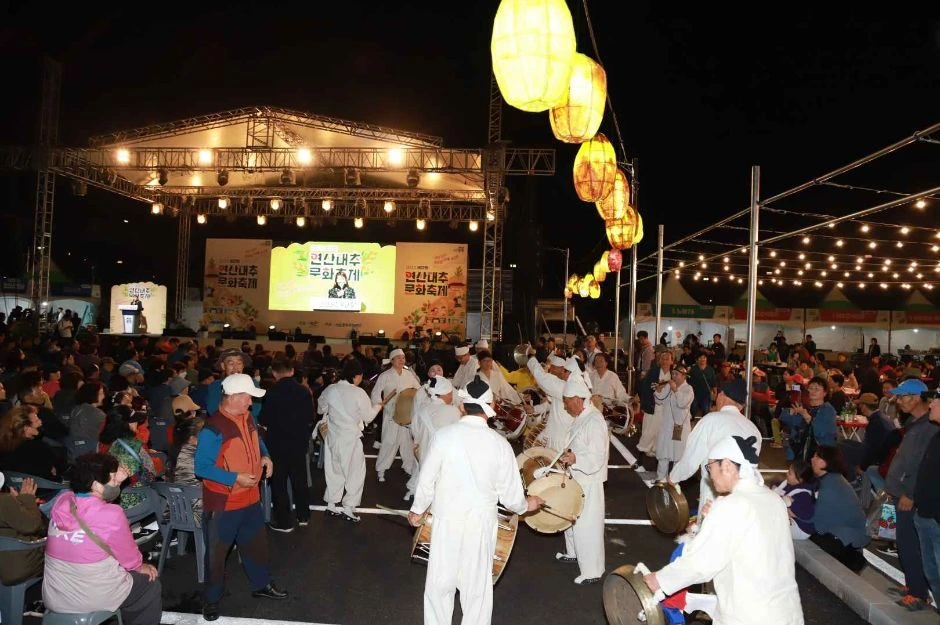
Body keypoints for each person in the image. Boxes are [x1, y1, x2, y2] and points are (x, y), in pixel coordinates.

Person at [408, 376, 542, 625]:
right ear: (489, 409)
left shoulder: (444, 437)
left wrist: (417, 510)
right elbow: (512, 498)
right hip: (480, 526)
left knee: (439, 587)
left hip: (447, 520)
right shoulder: (500, 444)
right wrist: (528, 505)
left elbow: (426, 481)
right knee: (476, 592)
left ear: (461, 406)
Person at [644, 435, 804, 625]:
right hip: (787, 612)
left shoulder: (731, 506)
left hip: (750, 616)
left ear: (726, 465)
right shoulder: (773, 499)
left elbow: (701, 562)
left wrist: (660, 580)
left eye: (710, 467)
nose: (709, 475)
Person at [195, 373, 287, 621]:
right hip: (223, 504)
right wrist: (233, 478)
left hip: (250, 499)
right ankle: (211, 599)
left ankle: (261, 585)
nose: (251, 402)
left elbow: (257, 442)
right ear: (233, 397)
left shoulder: (247, 418)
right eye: (248, 397)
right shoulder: (214, 428)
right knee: (216, 555)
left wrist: (265, 456)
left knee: (257, 548)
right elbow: (201, 467)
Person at [43, 453, 163, 625]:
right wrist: (139, 566)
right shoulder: (111, 514)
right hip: (92, 598)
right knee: (149, 585)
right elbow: (129, 559)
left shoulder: (62, 503)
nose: (116, 482)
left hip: (55, 596)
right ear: (96, 484)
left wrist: (115, 480)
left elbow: (93, 498)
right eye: (113, 478)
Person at [883, 378, 937, 610]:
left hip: (909, 496)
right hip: (901, 493)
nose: (898, 401)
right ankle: (913, 584)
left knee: (911, 544)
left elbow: (922, 466)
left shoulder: (929, 427)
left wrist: (909, 493)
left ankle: (918, 593)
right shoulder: (917, 423)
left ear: (916, 398)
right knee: (905, 542)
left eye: (903, 397)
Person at [668, 378, 763, 509]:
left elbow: (690, 461)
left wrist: (672, 479)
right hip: (745, 502)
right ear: (741, 405)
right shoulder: (754, 429)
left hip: (714, 500)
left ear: (721, 396)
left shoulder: (710, 421)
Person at [554, 374, 609, 584]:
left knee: (588, 525)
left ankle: (592, 570)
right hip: (576, 476)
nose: (566, 408)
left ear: (578, 399)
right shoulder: (583, 417)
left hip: (588, 480)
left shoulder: (594, 421)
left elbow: (596, 457)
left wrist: (575, 458)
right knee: (572, 518)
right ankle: (574, 552)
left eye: (568, 404)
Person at [318, 359, 382, 522]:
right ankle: (348, 507)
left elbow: (321, 409)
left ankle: (331, 504)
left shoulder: (330, 389)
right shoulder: (358, 393)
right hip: (350, 438)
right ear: (356, 376)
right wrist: (378, 407)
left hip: (332, 436)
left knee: (334, 470)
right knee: (354, 473)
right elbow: (368, 416)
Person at [259, 358, 315, 532]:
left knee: (279, 483)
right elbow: (310, 418)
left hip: (277, 443)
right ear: (292, 371)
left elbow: (263, 419)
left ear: (275, 373)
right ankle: (303, 515)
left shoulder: (271, 392)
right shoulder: (304, 391)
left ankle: (284, 521)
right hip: (298, 442)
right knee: (300, 479)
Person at [810, 446, 869, 572]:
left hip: (847, 538)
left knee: (803, 533)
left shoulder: (829, 486)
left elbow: (819, 526)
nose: (812, 459)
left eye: (817, 457)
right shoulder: (833, 479)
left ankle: (851, 558)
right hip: (852, 534)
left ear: (825, 462)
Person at [407, 375, 461, 501]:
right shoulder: (453, 411)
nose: (452, 396)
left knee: (426, 492)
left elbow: (415, 433)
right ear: (445, 394)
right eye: (451, 393)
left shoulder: (421, 411)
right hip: (444, 460)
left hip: (425, 458)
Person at [371, 348, 422, 482]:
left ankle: (409, 466)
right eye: (398, 358)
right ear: (392, 360)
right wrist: (379, 405)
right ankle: (381, 469)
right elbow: (376, 393)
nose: (401, 360)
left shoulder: (409, 374)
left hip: (406, 414)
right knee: (389, 441)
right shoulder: (385, 375)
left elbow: (419, 390)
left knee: (407, 442)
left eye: (403, 358)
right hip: (390, 414)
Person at [912, 388, 940, 606]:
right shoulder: (936, 434)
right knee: (932, 574)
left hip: (935, 519)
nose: (930, 405)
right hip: (924, 515)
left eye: (936, 402)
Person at [0, 473, 45, 586]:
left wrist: (18, 503)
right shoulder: (5, 501)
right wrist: (27, 499)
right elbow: (33, 526)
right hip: (13, 568)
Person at [779, 376, 837, 462]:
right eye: (810, 388)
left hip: (818, 455)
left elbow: (822, 432)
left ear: (825, 393)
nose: (812, 391)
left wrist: (807, 416)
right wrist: (791, 412)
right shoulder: (807, 407)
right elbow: (788, 421)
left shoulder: (828, 410)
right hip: (799, 451)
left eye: (817, 389)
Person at [525, 352, 574, 451]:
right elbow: (551, 404)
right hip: (556, 431)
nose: (551, 370)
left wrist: (531, 357)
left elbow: (541, 377)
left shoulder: (562, 385)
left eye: (555, 367)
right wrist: (534, 409)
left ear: (562, 369)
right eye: (551, 367)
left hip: (560, 436)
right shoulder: (565, 384)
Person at [653, 365, 694, 481]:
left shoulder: (688, 389)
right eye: (673, 374)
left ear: (683, 376)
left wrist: (675, 390)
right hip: (666, 425)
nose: (673, 376)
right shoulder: (668, 387)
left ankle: (674, 481)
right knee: (663, 452)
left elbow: (682, 403)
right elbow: (659, 401)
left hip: (680, 427)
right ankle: (660, 478)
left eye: (676, 374)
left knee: (678, 455)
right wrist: (658, 390)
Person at [637, 349, 674, 457]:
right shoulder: (653, 371)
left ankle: (655, 450)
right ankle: (641, 455)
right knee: (649, 431)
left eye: (668, 359)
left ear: (672, 361)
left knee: (661, 431)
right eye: (663, 358)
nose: (665, 361)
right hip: (654, 406)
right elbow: (647, 387)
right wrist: (658, 387)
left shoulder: (674, 374)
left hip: (667, 409)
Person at [772, 459, 816, 540]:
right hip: (793, 521)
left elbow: (807, 514)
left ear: (799, 479)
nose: (787, 474)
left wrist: (791, 505)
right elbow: (776, 489)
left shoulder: (804, 495)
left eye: (790, 473)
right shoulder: (789, 484)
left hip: (801, 529)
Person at [688, 353, 716, 417]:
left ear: (706, 359)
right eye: (700, 358)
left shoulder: (710, 369)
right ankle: (693, 420)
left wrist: (715, 392)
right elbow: (689, 382)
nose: (702, 359)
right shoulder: (693, 369)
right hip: (694, 393)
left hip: (706, 394)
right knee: (693, 409)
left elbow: (713, 382)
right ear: (697, 360)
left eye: (704, 358)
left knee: (706, 410)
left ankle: (704, 423)